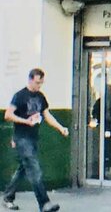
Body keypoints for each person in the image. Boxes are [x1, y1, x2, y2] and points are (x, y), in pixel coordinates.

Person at [2, 68, 69, 212]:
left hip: (33, 138)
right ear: (31, 79)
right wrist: (25, 121)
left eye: (41, 83)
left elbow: (47, 115)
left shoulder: (40, 97)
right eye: (37, 83)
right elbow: (8, 115)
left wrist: (60, 127)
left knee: (23, 169)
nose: (39, 86)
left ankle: (8, 196)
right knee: (34, 169)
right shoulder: (19, 96)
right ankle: (44, 203)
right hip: (22, 138)